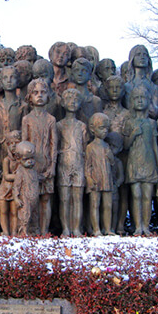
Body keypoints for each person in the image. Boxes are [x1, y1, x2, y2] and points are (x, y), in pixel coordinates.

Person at [22, 78, 58, 236]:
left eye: (43, 92)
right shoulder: (27, 119)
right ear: (30, 96)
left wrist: (52, 166)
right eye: (35, 93)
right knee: (32, 199)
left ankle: (44, 230)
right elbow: (24, 145)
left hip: (46, 163)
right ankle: (33, 229)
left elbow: (53, 144)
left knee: (46, 199)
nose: (39, 96)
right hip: (32, 165)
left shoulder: (51, 120)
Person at [122, 85, 158, 236]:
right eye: (136, 98)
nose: (140, 101)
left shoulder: (152, 123)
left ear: (148, 101)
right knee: (136, 195)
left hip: (149, 160)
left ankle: (146, 225)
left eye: (143, 98)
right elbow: (125, 145)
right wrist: (133, 135)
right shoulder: (129, 122)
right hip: (134, 160)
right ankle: (138, 226)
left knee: (147, 196)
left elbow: (155, 145)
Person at [56, 89, 88, 237]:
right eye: (69, 99)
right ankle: (66, 228)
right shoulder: (59, 125)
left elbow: (85, 146)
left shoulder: (82, 126)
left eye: (76, 99)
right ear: (63, 103)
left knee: (77, 198)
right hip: (64, 164)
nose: (72, 102)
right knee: (64, 199)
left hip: (79, 163)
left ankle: (76, 228)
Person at [85, 113, 116, 236]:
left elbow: (112, 163)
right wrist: (89, 178)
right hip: (95, 178)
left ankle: (107, 229)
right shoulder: (90, 147)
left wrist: (110, 156)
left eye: (106, 129)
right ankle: (96, 229)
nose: (104, 131)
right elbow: (87, 165)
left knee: (108, 204)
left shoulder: (107, 146)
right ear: (93, 129)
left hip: (106, 178)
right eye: (101, 128)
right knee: (95, 205)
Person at [13, 141, 40, 236]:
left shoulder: (34, 170)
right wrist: (16, 198)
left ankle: (34, 231)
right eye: (26, 159)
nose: (30, 161)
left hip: (35, 197)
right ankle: (23, 232)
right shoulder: (20, 171)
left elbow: (36, 179)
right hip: (25, 198)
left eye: (32, 158)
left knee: (35, 216)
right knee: (25, 216)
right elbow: (16, 186)